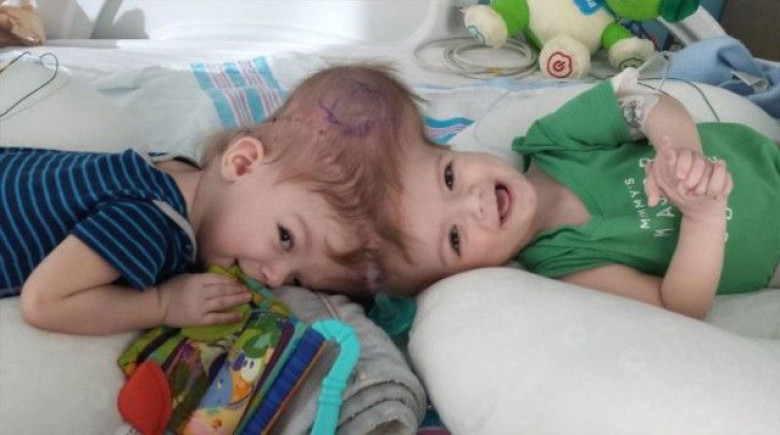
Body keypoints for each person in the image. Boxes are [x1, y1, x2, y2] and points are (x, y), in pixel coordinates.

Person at [0, 64, 414, 335]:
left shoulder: (175, 170)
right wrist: (162, 304)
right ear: (242, 162)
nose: (273, 279)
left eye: (296, 281)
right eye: (286, 238)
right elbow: (45, 301)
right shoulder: (153, 224)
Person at [377, 68, 780, 319]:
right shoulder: (565, 263)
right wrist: (703, 219)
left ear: (449, 150)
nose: (474, 202)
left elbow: (642, 103)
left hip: (766, 157)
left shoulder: (553, 141)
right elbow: (679, 306)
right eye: (455, 238)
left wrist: (678, 149)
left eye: (449, 178)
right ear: (463, 277)